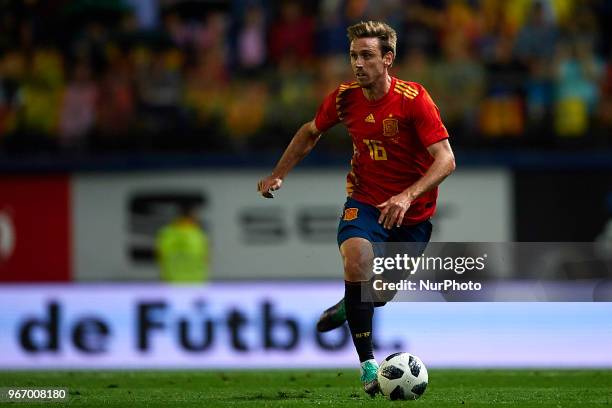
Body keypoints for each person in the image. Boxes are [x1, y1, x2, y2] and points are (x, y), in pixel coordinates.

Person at [257, 21, 455, 395]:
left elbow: (446, 159)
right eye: (353, 55)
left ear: (388, 59)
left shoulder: (415, 99)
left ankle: (351, 305)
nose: (358, 64)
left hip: (413, 215)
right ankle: (368, 367)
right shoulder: (344, 98)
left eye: (367, 55)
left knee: (378, 294)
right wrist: (278, 174)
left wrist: (408, 195)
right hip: (365, 201)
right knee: (356, 259)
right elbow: (309, 132)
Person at [156, 202, 209, 283]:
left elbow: (160, 259)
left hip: (171, 285)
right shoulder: (199, 235)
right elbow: (206, 260)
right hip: (195, 285)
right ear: (193, 215)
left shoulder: (166, 235)